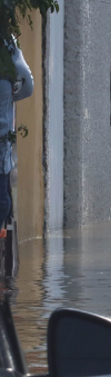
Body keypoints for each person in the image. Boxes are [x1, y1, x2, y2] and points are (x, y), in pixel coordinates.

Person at [0, 38, 33, 233]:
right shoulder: (6, 46)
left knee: (4, 201)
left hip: (2, 144)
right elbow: (27, 86)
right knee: (3, 202)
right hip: (2, 143)